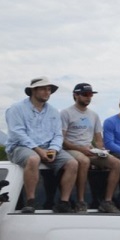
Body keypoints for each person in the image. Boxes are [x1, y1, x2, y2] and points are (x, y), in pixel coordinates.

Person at [5, 76, 78, 213]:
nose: (47, 92)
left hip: (48, 147)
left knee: (72, 163)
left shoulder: (53, 111)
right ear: (33, 91)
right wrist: (38, 150)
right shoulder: (16, 108)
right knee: (33, 159)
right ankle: (31, 201)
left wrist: (54, 150)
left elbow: (58, 134)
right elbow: (17, 133)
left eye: (49, 89)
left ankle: (64, 202)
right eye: (43, 89)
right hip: (21, 147)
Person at [61, 83, 120, 213]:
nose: (88, 97)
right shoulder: (66, 113)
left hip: (90, 149)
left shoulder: (94, 115)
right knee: (84, 161)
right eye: (85, 94)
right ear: (75, 95)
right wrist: (79, 148)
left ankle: (107, 201)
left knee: (116, 163)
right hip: (71, 149)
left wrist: (101, 150)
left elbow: (99, 138)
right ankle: (81, 201)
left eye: (90, 95)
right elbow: (61, 139)